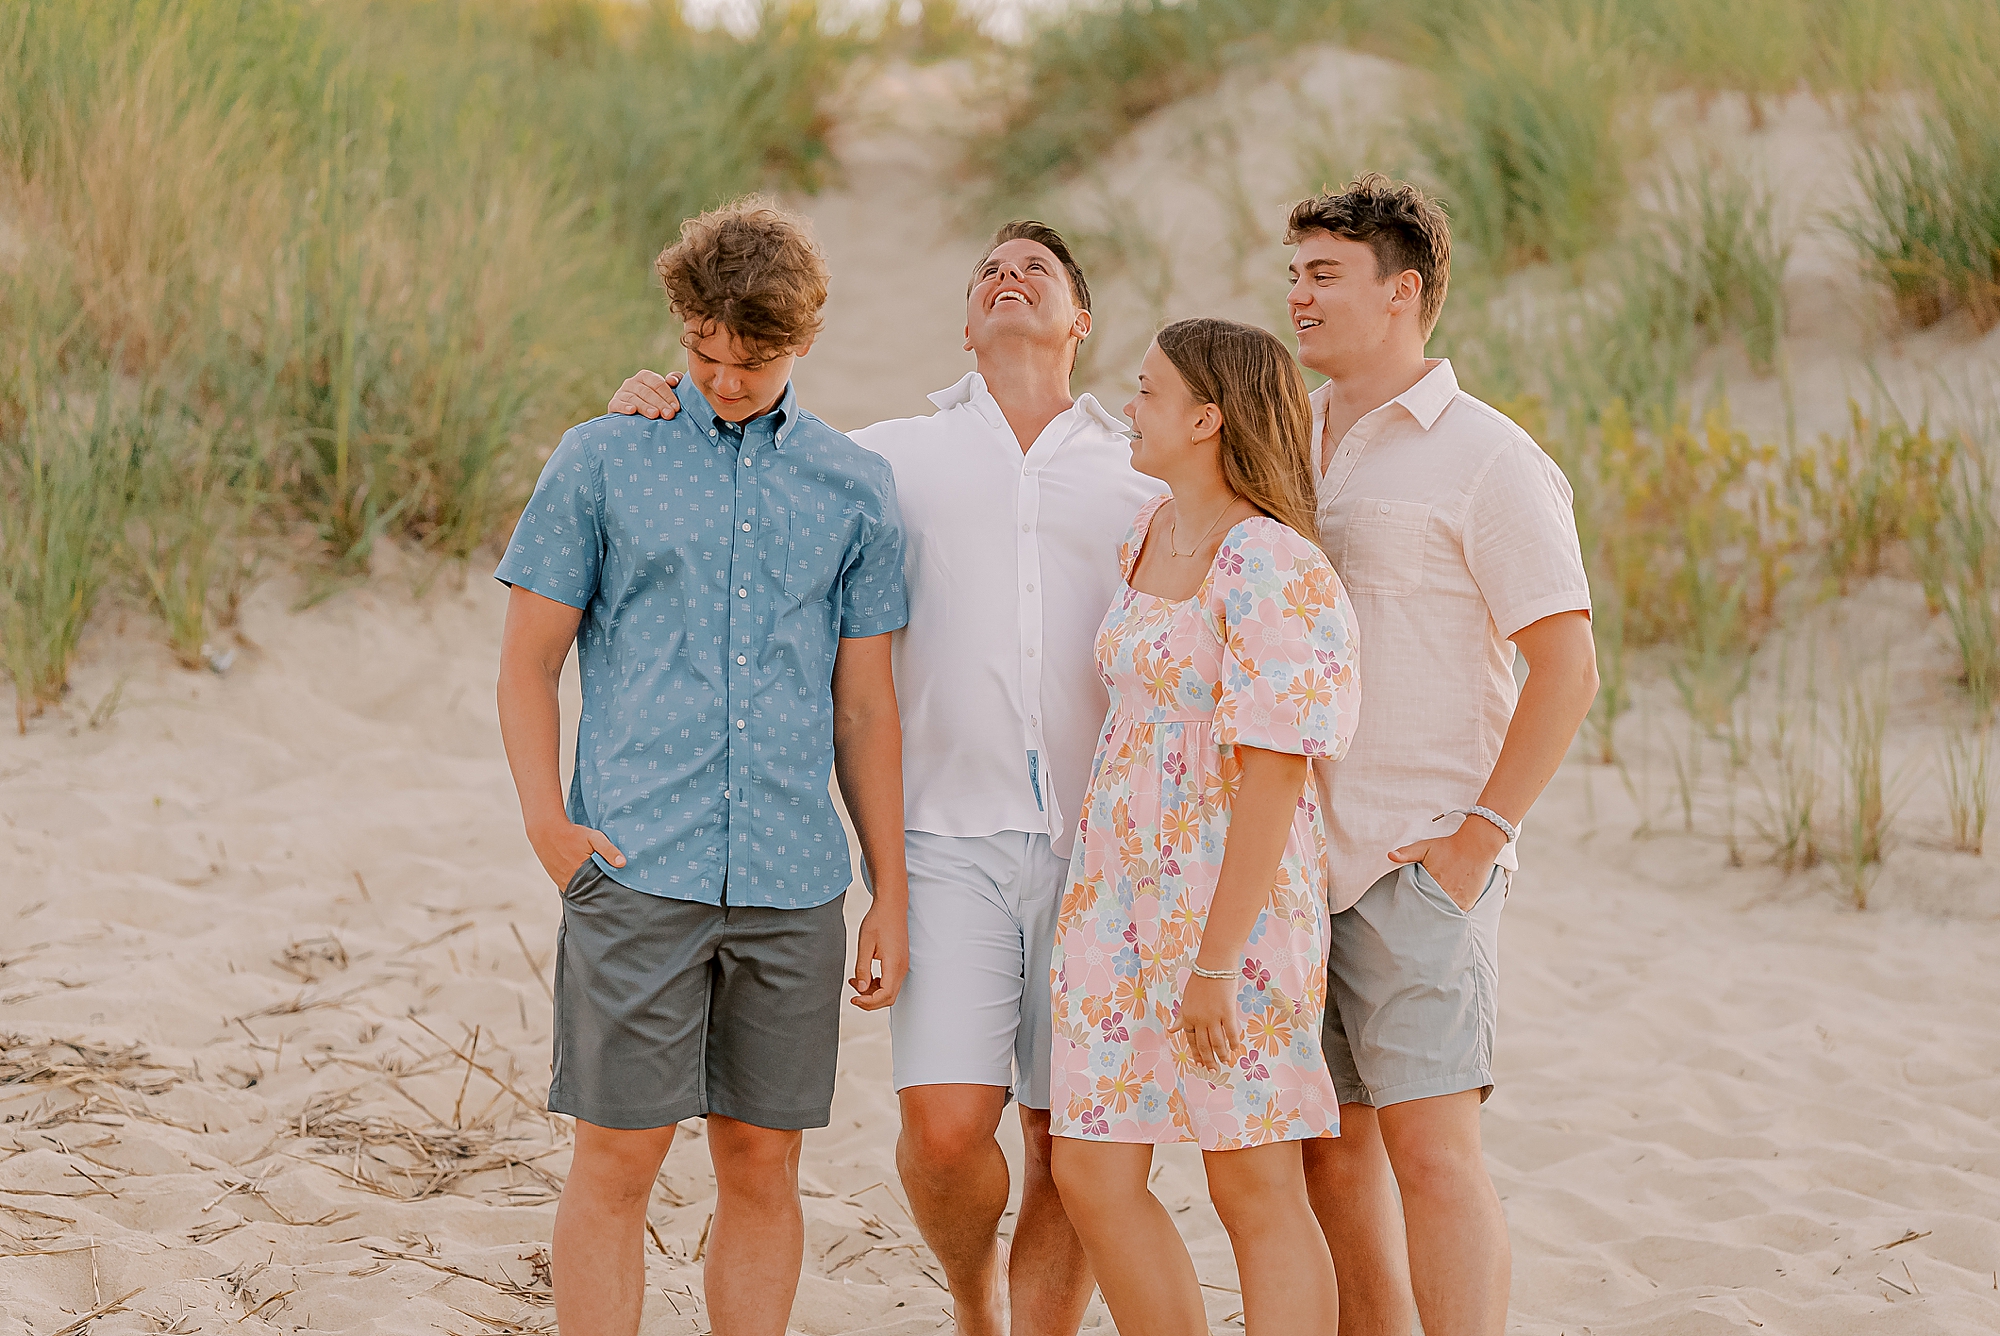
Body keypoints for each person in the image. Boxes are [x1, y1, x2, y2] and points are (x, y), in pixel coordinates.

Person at [605, 221, 1158, 1336]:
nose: (1009, 278)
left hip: (1108, 850)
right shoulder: (883, 456)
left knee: (1066, 1137)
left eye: (1035, 271)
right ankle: (971, 1299)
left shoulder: (1142, 468)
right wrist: (652, 406)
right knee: (949, 1129)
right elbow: (751, 456)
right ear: (964, 323)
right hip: (942, 838)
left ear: (1078, 322)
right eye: (988, 271)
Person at [494, 198, 912, 1336]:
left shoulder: (853, 485)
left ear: (803, 340)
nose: (723, 376)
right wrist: (548, 824)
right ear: (679, 326)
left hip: (792, 883)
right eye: (702, 350)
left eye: (753, 356)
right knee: (617, 1160)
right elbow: (527, 663)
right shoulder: (600, 456)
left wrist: (891, 888)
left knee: (762, 1165)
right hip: (636, 867)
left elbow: (864, 709)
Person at [1284, 174, 1600, 1336]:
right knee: (1327, 1155)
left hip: (1416, 860)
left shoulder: (1487, 457)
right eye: (1292, 273)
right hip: (1288, 859)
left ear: (1400, 291)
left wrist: (1478, 839)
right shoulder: (1285, 432)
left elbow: (1565, 666)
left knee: (1428, 1148)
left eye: (1322, 275)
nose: (1296, 296)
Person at [1047, 317, 1361, 1336]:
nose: (1126, 406)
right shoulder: (1144, 532)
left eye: (1143, 391)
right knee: (1089, 1167)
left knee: (1250, 1182)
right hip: (1112, 894)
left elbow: (1274, 773)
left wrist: (1217, 962)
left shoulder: (1272, 563)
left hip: (1233, 908)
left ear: (1204, 416)